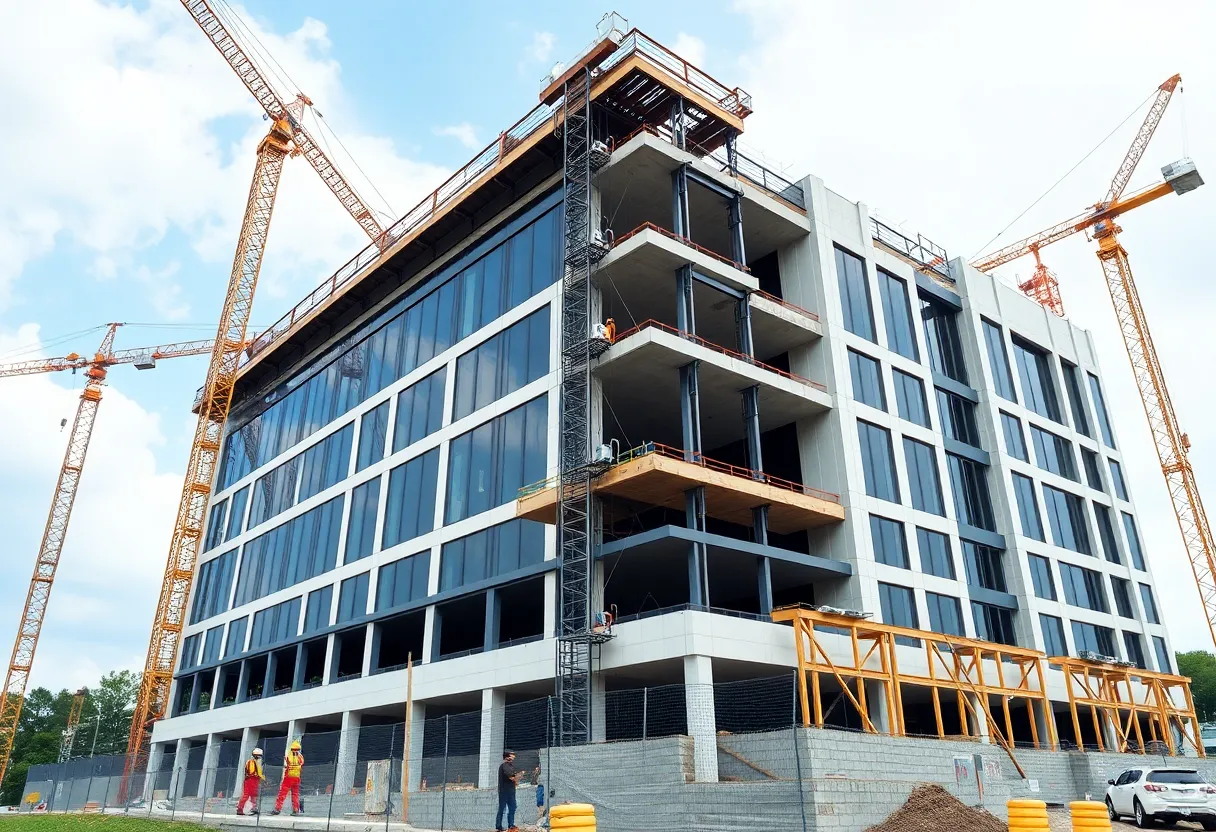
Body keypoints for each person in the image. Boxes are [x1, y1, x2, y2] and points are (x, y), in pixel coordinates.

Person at [272, 740, 305, 816]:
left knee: (282, 794)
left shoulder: (288, 755)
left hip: (289, 777)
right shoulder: (301, 757)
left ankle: (277, 809)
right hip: (297, 777)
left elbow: (288, 762)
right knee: (295, 794)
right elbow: (301, 764)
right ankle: (296, 810)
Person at [496, 749, 520, 832]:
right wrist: (519, 776)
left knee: (512, 807)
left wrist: (516, 779)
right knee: (502, 809)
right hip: (504, 791)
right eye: (512, 754)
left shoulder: (511, 766)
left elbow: (514, 778)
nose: (513, 756)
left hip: (511, 791)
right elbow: (511, 777)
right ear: (507, 756)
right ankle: (499, 826)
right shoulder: (504, 766)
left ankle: (511, 825)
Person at [236, 747, 264, 815]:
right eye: (258, 756)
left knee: (254, 795)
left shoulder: (256, 762)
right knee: (246, 795)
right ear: (255, 755)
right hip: (250, 780)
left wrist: (262, 779)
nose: (259, 757)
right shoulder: (251, 762)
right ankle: (240, 809)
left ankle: (254, 808)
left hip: (254, 781)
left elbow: (258, 773)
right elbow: (253, 773)